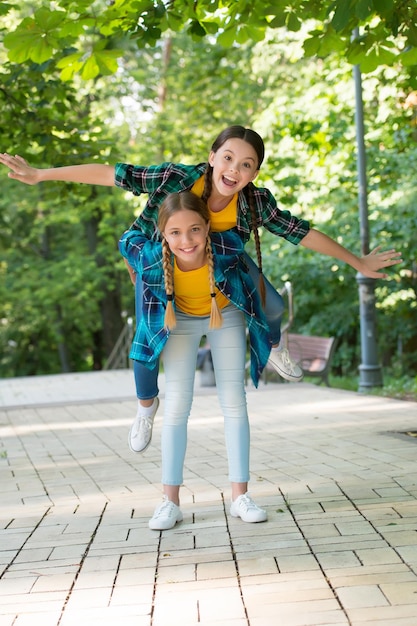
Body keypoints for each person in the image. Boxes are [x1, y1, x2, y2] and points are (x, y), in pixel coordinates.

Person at [0, 125, 402, 455]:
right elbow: (112, 174)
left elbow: (301, 233)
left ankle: (273, 344)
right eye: (227, 157)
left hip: (220, 260)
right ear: (212, 156)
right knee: (147, 338)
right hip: (161, 258)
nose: (234, 169)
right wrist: (39, 175)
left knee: (273, 306)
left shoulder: (254, 202)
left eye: (246, 165)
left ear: (254, 173)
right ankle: (145, 408)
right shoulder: (177, 179)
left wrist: (358, 261)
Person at [119, 190, 271, 529]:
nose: (186, 240)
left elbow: (249, 216)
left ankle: (240, 497)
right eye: (174, 232)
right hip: (179, 320)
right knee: (176, 407)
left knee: (234, 401)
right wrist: (133, 264)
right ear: (163, 235)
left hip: (225, 314)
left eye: (195, 230)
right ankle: (169, 502)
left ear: (207, 227)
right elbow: (126, 239)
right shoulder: (151, 255)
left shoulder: (228, 244)